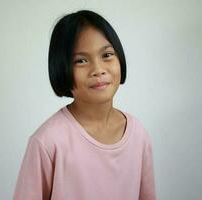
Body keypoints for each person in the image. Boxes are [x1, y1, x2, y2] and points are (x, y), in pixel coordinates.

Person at [13, 10, 156, 200]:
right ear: (61, 67)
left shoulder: (138, 134)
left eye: (106, 55)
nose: (98, 70)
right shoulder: (48, 142)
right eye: (81, 60)